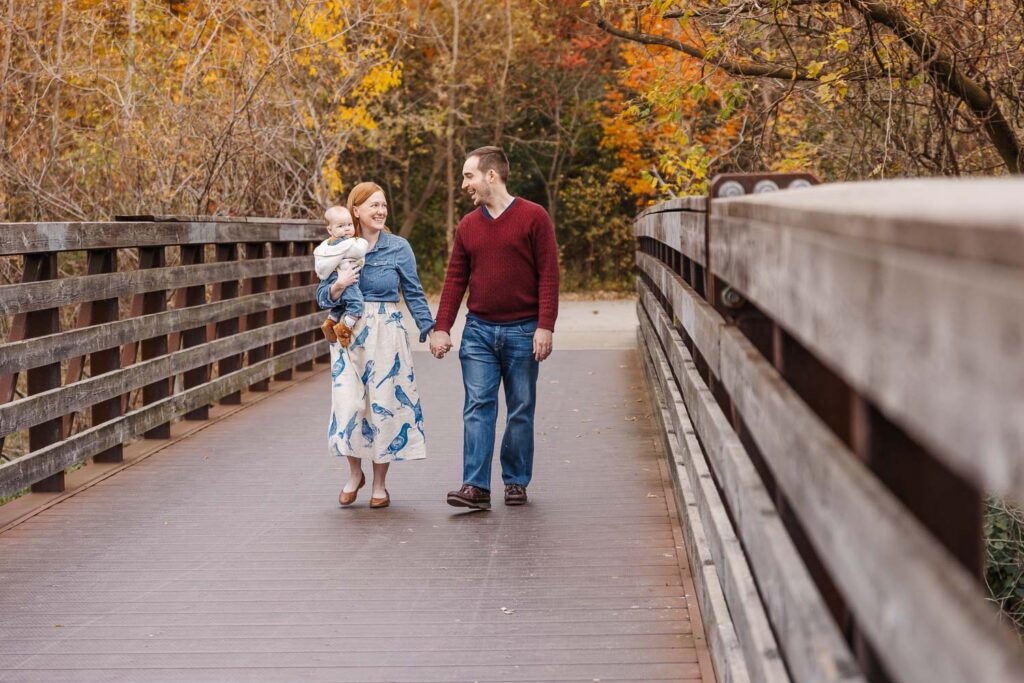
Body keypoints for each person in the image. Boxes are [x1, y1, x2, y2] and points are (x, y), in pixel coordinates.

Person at [430, 146, 560, 510]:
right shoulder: (468, 225)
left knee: (520, 407)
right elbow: (455, 278)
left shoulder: (534, 217)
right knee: (477, 406)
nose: (464, 184)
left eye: (469, 176)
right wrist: (442, 327)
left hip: (523, 329)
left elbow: (549, 274)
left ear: (491, 175)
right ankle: (475, 487)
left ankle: (516, 481)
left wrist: (545, 326)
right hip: (479, 332)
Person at [317, 182, 441, 508]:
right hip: (349, 332)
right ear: (355, 210)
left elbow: (413, 292)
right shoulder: (339, 246)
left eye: (384, 205)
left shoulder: (399, 247)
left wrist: (430, 329)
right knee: (349, 404)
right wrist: (339, 285)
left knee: (383, 403)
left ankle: (380, 484)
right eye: (373, 205)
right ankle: (355, 472)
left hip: (387, 332)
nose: (381, 211)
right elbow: (320, 296)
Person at [313, 205, 368, 346]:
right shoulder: (344, 243)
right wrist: (361, 241)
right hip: (346, 277)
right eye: (341, 226)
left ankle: (330, 322)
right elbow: (359, 251)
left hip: (333, 277)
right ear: (330, 230)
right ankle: (345, 328)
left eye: (349, 225)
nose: (347, 229)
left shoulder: (326, 245)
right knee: (356, 304)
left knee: (341, 305)